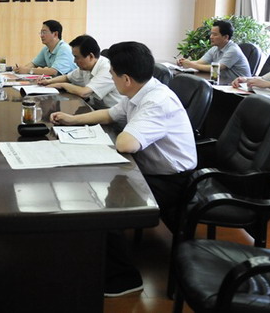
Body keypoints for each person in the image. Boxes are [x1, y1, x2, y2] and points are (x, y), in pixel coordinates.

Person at [50, 41, 196, 296]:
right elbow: (110, 114)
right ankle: (98, 255)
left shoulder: (156, 101)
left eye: (112, 73)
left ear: (126, 79)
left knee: (105, 202)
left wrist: (113, 136)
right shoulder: (139, 90)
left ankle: (124, 278)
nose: (110, 77)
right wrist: (73, 120)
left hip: (172, 180)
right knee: (97, 184)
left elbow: (126, 143)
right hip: (149, 168)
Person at [38, 35, 123, 109]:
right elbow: (67, 77)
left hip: (113, 115)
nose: (74, 61)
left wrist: (62, 85)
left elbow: (84, 92)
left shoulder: (107, 69)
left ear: (90, 56)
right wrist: (48, 81)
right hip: (95, 108)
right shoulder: (86, 67)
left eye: (77, 57)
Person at [177, 19, 251, 84]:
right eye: (211, 34)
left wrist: (191, 65)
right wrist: (184, 62)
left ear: (226, 37)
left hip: (239, 89)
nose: (211, 37)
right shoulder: (215, 48)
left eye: (215, 34)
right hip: (224, 83)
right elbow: (200, 62)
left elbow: (216, 68)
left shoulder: (233, 50)